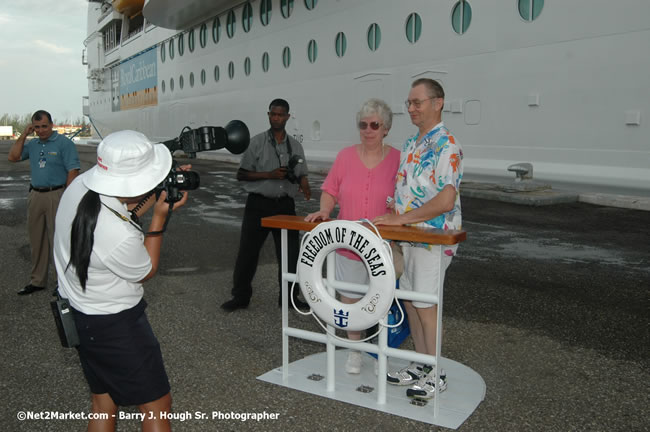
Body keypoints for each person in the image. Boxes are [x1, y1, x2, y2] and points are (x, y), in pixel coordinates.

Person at [53, 130, 189, 431]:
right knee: (157, 405)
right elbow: (147, 270)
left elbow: (124, 206)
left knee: (103, 403)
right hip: (115, 326)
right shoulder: (116, 234)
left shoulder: (78, 188)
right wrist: (159, 218)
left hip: (83, 316)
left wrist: (150, 190)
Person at [373, 78, 463, 399]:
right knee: (411, 301)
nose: (410, 108)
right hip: (408, 236)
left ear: (437, 103)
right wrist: (392, 219)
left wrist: (400, 219)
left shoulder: (446, 145)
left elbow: (445, 200)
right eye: (409, 103)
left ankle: (435, 373)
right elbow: (406, 191)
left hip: (432, 239)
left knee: (427, 306)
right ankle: (422, 365)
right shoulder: (412, 143)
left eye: (417, 102)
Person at [305, 98, 400, 374]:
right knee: (349, 298)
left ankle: (381, 351)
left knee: (382, 299)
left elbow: (404, 197)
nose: (368, 130)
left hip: (381, 245)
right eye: (363, 124)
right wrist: (324, 211)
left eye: (374, 125)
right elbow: (330, 190)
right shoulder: (346, 156)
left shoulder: (397, 158)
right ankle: (355, 351)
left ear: (386, 129)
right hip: (348, 244)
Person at [222, 99, 312, 311]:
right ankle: (240, 297)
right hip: (258, 205)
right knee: (248, 253)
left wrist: (304, 185)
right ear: (269, 114)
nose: (276, 118)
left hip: (285, 206)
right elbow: (241, 174)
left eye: (281, 115)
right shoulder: (256, 143)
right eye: (273, 114)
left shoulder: (295, 146)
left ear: (288, 117)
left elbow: (302, 174)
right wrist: (269, 175)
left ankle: (289, 298)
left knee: (290, 254)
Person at [8, 110, 80, 295]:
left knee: (58, 239)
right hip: (36, 195)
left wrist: (68, 197)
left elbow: (73, 171)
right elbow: (13, 157)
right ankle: (37, 280)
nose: (41, 130)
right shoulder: (33, 144)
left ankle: (62, 283)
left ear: (52, 125)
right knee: (36, 239)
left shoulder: (64, 144)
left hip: (56, 194)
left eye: (44, 126)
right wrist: (24, 134)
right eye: (37, 127)